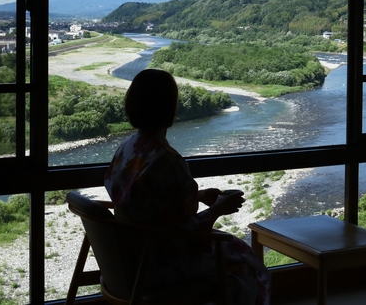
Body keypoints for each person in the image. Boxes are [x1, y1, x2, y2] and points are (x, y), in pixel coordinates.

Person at [104, 68, 270, 305]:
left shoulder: (128, 148)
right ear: (170, 107)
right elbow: (187, 234)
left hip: (127, 258)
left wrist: (199, 195)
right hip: (158, 262)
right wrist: (218, 209)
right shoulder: (166, 160)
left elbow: (144, 201)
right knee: (247, 264)